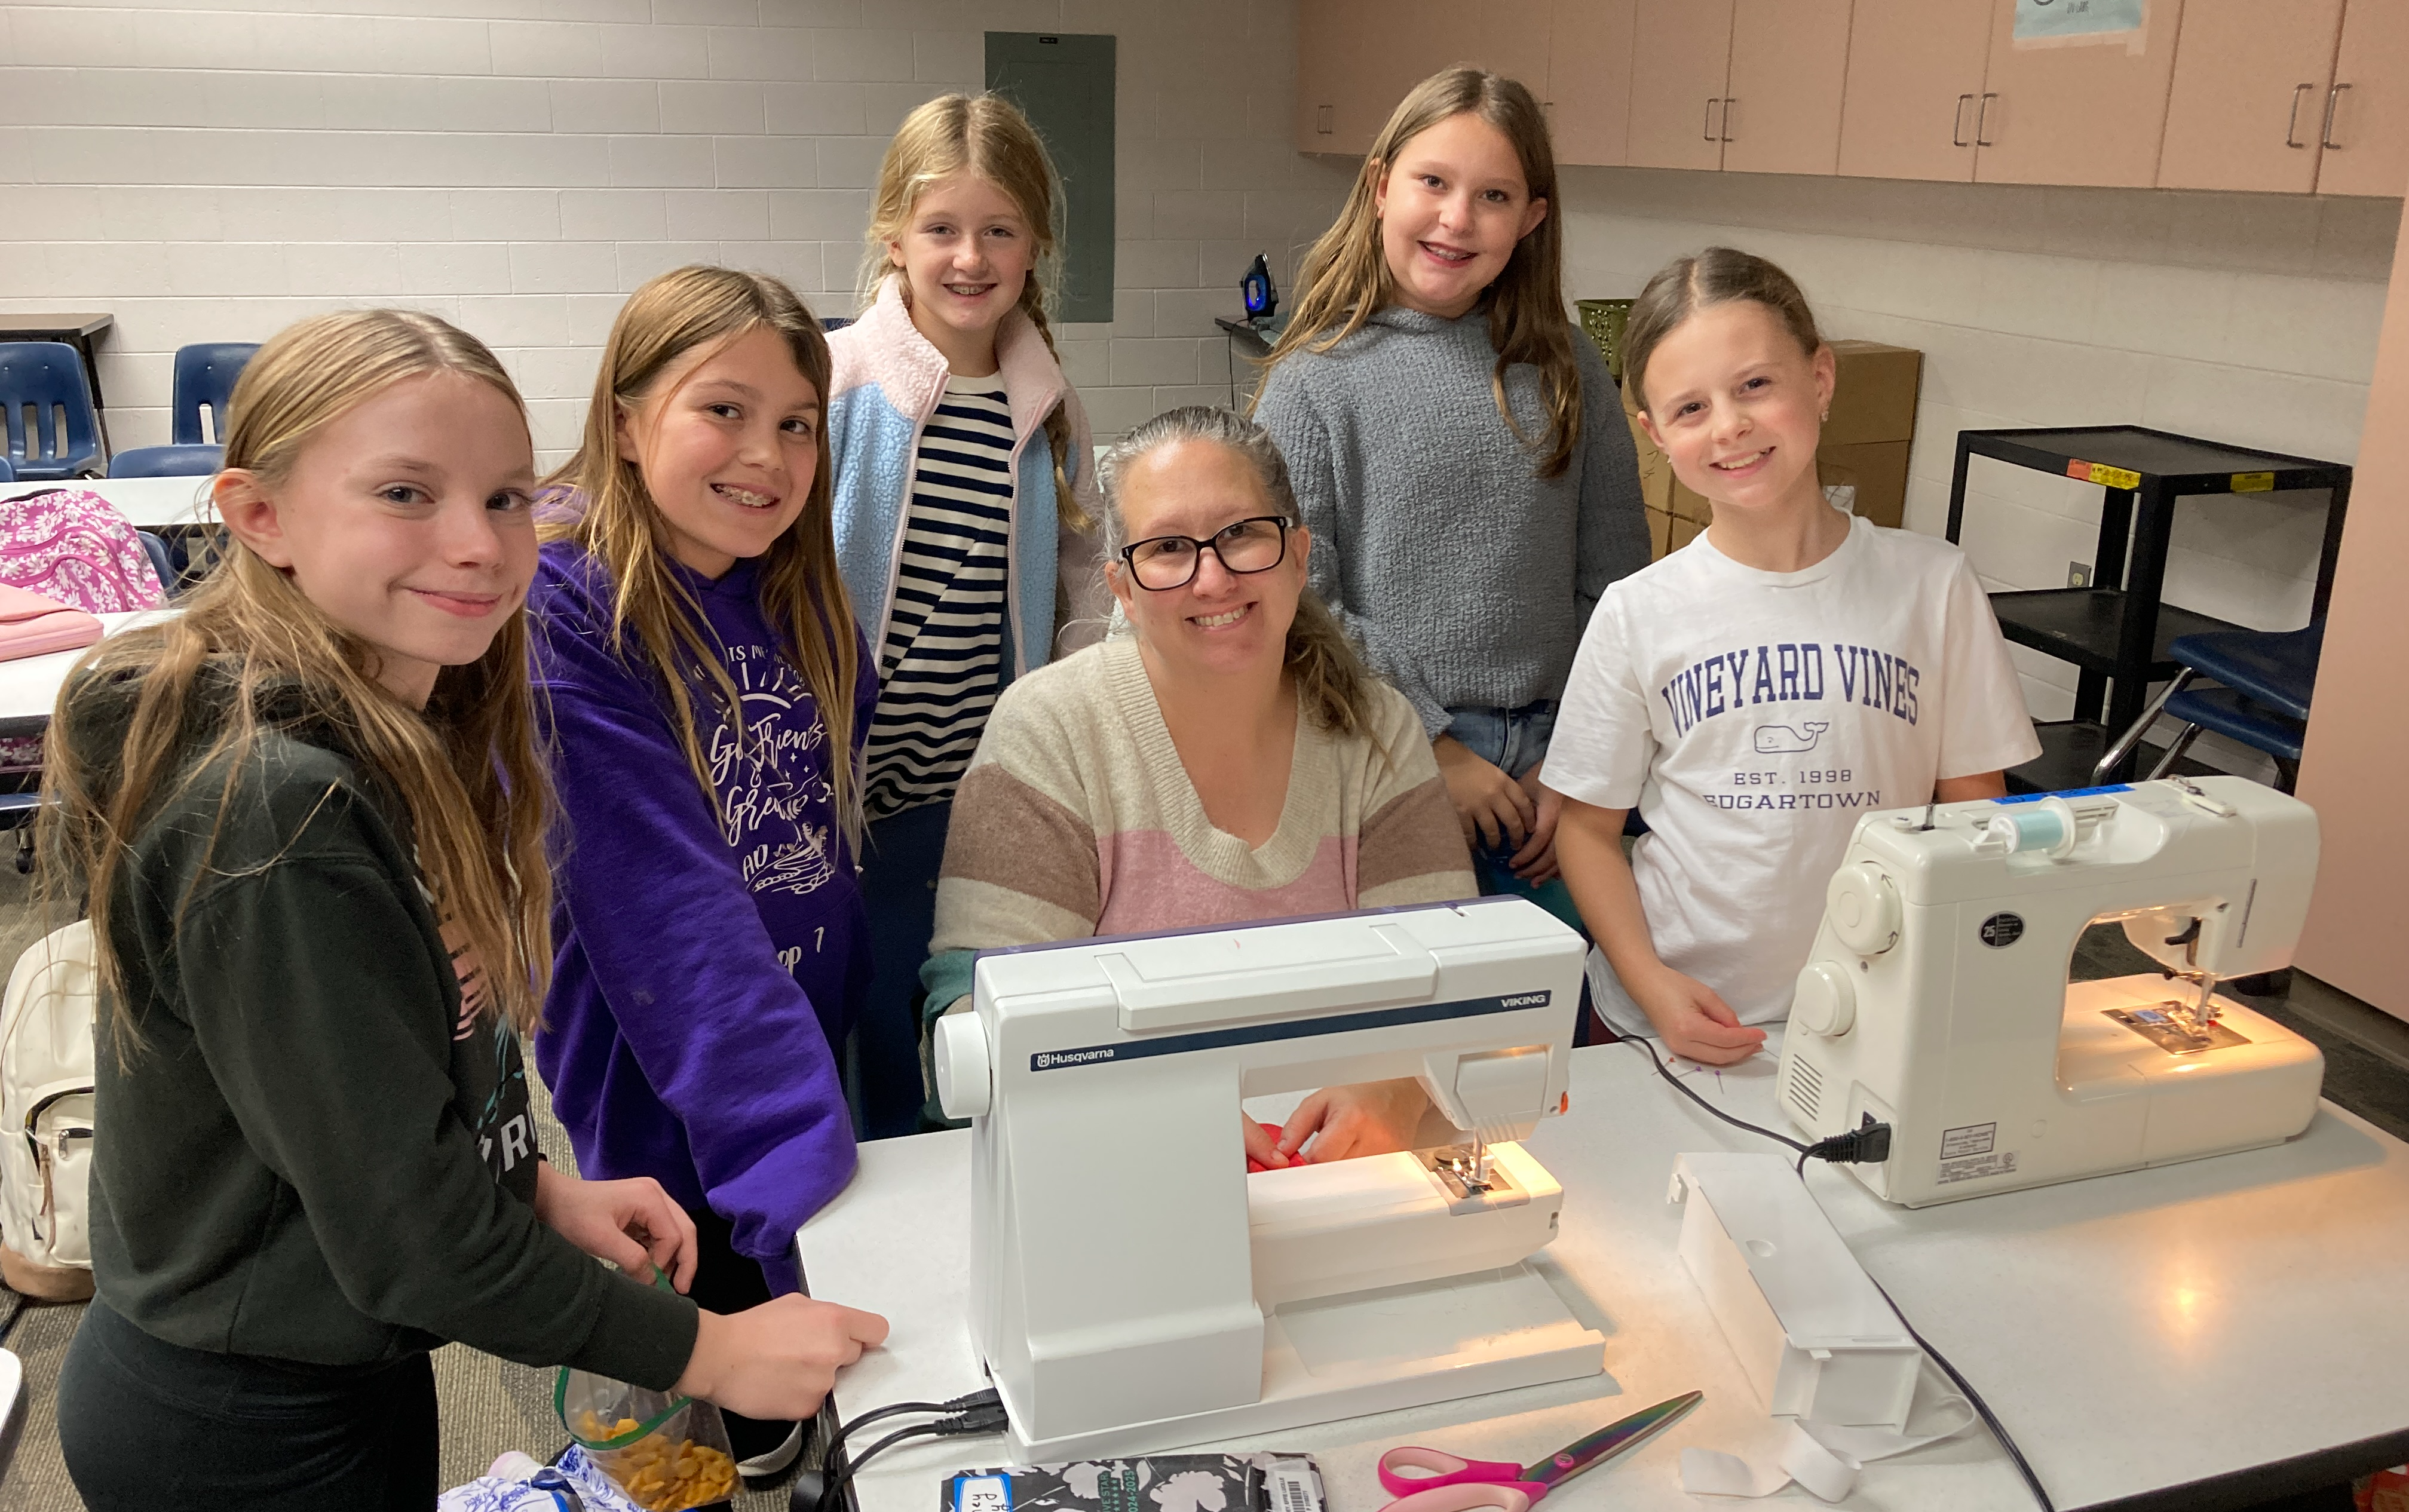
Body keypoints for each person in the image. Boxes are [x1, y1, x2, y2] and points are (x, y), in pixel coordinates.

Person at [45, 309, 885, 1512]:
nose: (481, 543)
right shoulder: (274, 813)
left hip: (341, 1361)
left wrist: (533, 1186)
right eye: (405, 491)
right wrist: (717, 1351)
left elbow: (360, 1093)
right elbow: (411, 1241)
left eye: (503, 498)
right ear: (260, 514)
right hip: (238, 1414)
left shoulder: (403, 729)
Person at [528, 266, 875, 1480]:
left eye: (796, 423)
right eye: (721, 410)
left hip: (783, 1063)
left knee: (782, 1417)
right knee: (681, 1424)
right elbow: (669, 919)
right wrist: (805, 1210)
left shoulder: (796, 592)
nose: (766, 454)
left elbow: (821, 844)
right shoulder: (573, 603)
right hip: (667, 1095)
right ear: (626, 420)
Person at [924, 406, 1475, 1166]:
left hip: (1341, 1170)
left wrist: (1396, 1086)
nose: (1212, 577)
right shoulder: (1049, 731)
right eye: (1168, 548)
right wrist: (1151, 1117)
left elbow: (1452, 974)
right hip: (1111, 1169)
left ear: (1299, 554)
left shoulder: (1376, 727)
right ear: (1120, 584)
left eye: (1243, 533)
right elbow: (972, 1019)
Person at [1547, 248, 2041, 1065]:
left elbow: (1973, 819)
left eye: (1755, 385)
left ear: (1819, 379)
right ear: (1655, 432)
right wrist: (1653, 982)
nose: (1730, 426)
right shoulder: (1638, 612)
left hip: (1878, 1009)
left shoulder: (1935, 586)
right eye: (1691, 406)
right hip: (1674, 1019)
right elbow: (1587, 832)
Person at [1253, 66, 1649, 916]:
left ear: (1532, 219)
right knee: (1410, 1024)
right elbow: (1302, 600)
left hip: (1560, 772)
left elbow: (1616, 584)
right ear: (1381, 184)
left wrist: (1576, 756)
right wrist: (1434, 744)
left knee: (1552, 1015)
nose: (1457, 218)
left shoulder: (1572, 367)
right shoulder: (1314, 381)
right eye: (1433, 181)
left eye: (1495, 195)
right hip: (1383, 756)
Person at [827, 91, 1106, 1140]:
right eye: (941, 228)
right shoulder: (841, 380)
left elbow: (1081, 584)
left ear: (1034, 244)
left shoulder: (1048, 402)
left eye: (998, 230)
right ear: (893, 236)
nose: (968, 257)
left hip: (968, 789)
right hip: (848, 790)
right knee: (854, 1024)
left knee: (954, 1021)